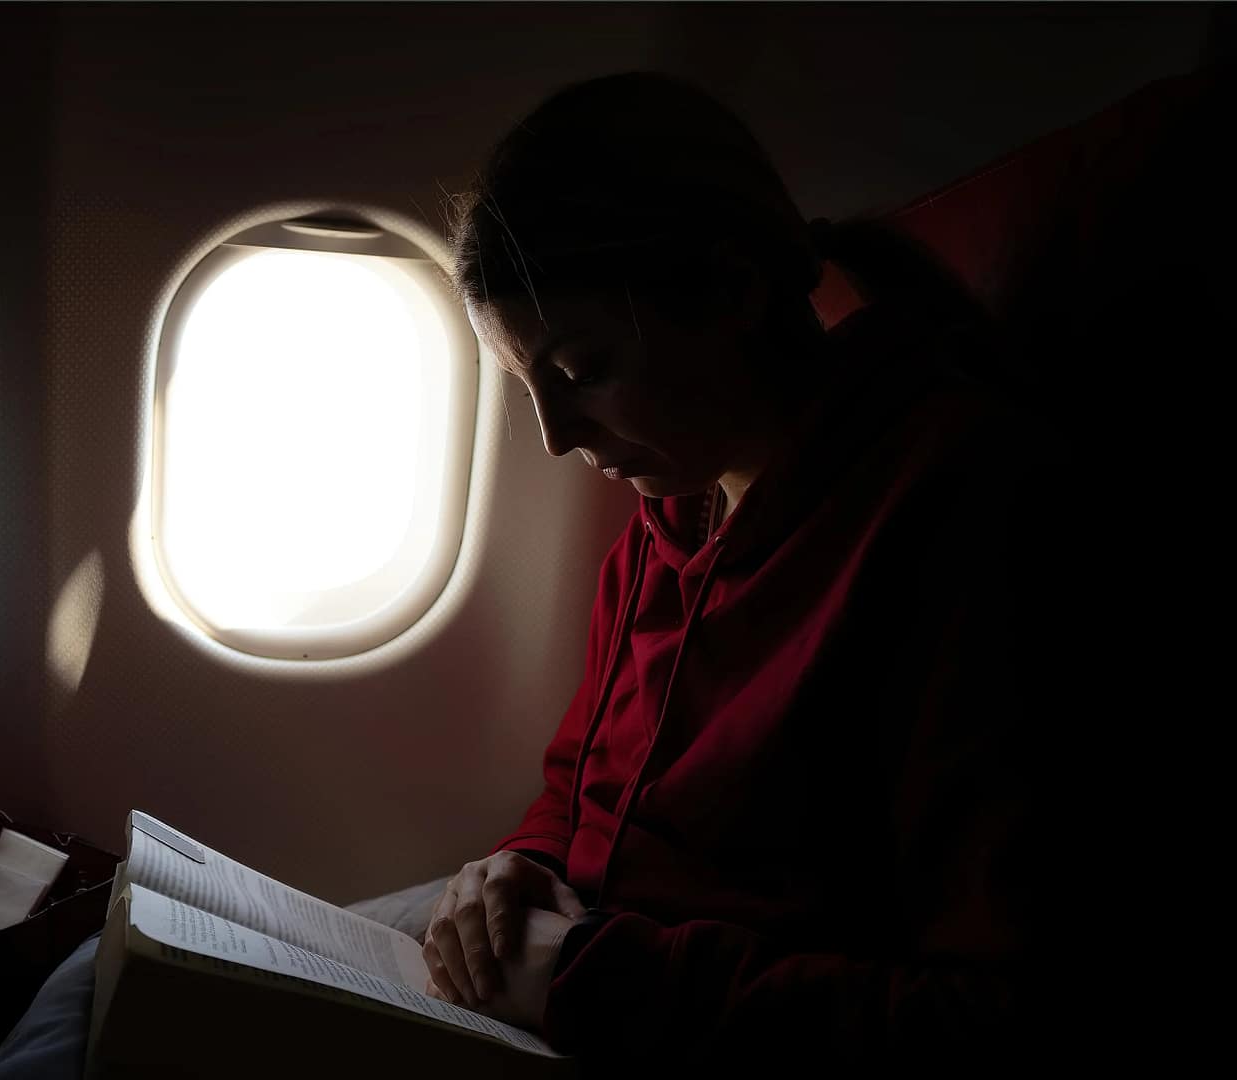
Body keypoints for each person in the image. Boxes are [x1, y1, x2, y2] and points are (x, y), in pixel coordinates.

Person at [418, 72, 1081, 1069]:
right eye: (530, 391)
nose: (556, 440)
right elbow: (577, 782)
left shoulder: (966, 513)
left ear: (729, 292)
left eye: (582, 371)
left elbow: (994, 1016)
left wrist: (588, 977)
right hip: (599, 980)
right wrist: (518, 867)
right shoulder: (662, 526)